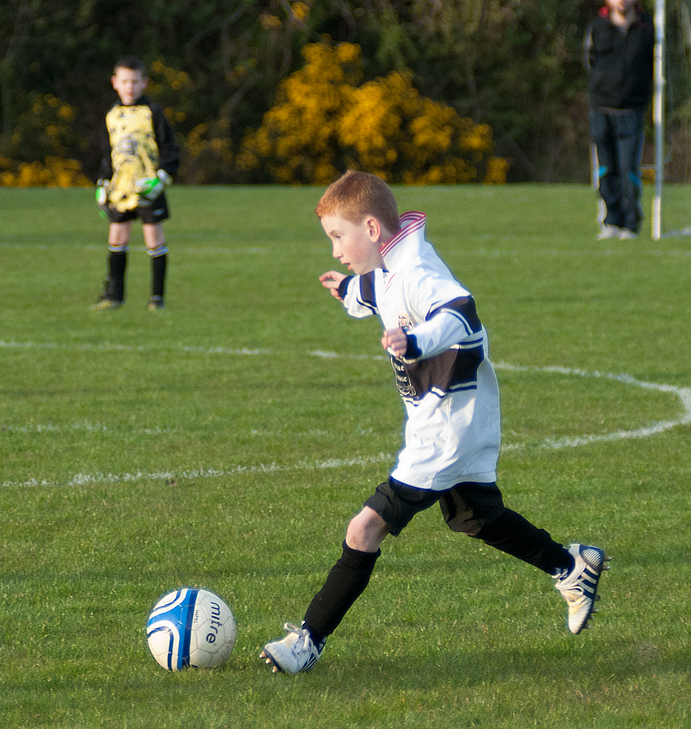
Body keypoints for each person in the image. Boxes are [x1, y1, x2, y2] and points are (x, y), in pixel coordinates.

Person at [260, 171, 610, 675]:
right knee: (476, 518)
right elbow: (374, 290)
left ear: (373, 229)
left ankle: (307, 642)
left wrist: (417, 342)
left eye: (339, 237)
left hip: (444, 433)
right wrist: (346, 290)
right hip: (459, 421)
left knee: (364, 529)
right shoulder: (389, 267)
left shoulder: (419, 271)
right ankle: (571, 567)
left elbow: (460, 314)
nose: (335, 249)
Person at [92, 56, 180, 310]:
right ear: (115, 83)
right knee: (117, 238)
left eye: (134, 81)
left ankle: (157, 298)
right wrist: (102, 184)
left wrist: (161, 178)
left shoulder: (153, 113)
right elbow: (108, 154)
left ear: (144, 83)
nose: (129, 86)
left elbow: (170, 149)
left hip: (148, 188)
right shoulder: (111, 116)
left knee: (154, 240)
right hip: (121, 190)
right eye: (124, 81)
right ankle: (114, 296)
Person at [585, 0, 654, 240]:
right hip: (601, 109)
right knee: (607, 169)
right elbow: (590, 60)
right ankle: (611, 221)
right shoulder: (597, 27)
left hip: (632, 110)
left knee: (628, 169)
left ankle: (630, 224)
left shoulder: (648, 28)